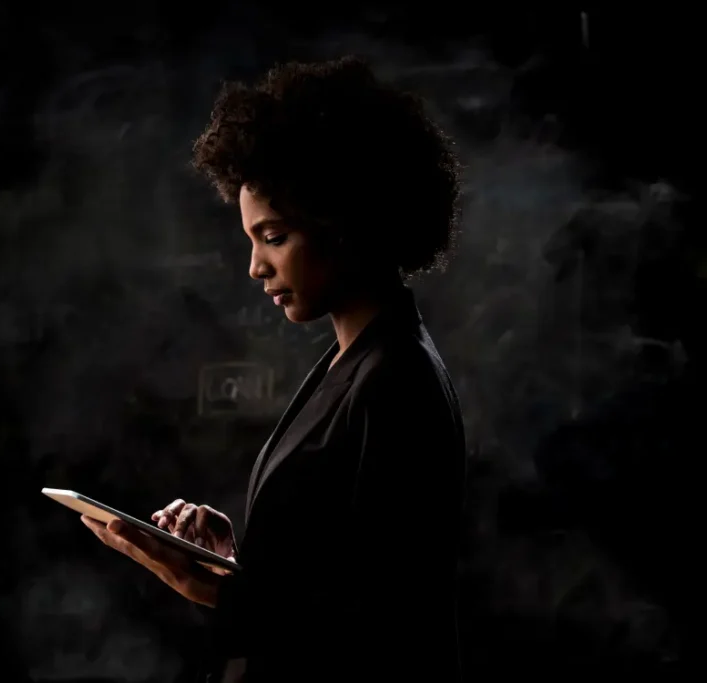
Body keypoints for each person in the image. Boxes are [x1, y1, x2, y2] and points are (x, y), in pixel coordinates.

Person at [80, 56, 467, 681]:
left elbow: (384, 623)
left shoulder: (395, 379)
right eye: (252, 240)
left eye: (275, 236)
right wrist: (234, 561)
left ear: (342, 224)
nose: (256, 266)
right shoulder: (354, 361)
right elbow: (331, 576)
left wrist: (202, 587)